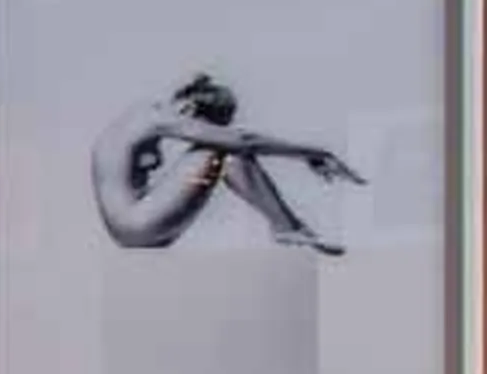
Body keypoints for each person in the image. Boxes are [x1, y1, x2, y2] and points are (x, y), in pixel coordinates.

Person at [89, 74, 362, 256]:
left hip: (140, 227)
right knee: (224, 149)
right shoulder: (155, 117)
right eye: (206, 126)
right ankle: (287, 227)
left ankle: (288, 227)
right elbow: (244, 140)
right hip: (136, 225)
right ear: (188, 110)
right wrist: (315, 153)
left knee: (226, 150)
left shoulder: (144, 117)